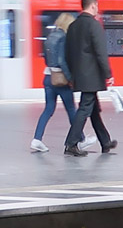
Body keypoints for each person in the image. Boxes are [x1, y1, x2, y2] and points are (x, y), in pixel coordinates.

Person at [63, 0, 116, 156]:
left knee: (93, 109)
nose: (97, 9)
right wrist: (108, 74)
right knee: (85, 108)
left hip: (80, 75)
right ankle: (71, 143)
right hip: (92, 76)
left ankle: (105, 141)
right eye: (97, 6)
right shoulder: (94, 25)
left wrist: (72, 74)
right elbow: (101, 52)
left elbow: (67, 54)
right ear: (93, 5)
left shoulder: (72, 26)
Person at [33, 13, 85, 152]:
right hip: (60, 80)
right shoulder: (63, 37)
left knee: (48, 109)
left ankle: (37, 139)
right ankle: (81, 139)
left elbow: (46, 58)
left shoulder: (50, 36)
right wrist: (70, 79)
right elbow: (62, 61)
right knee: (71, 110)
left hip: (48, 77)